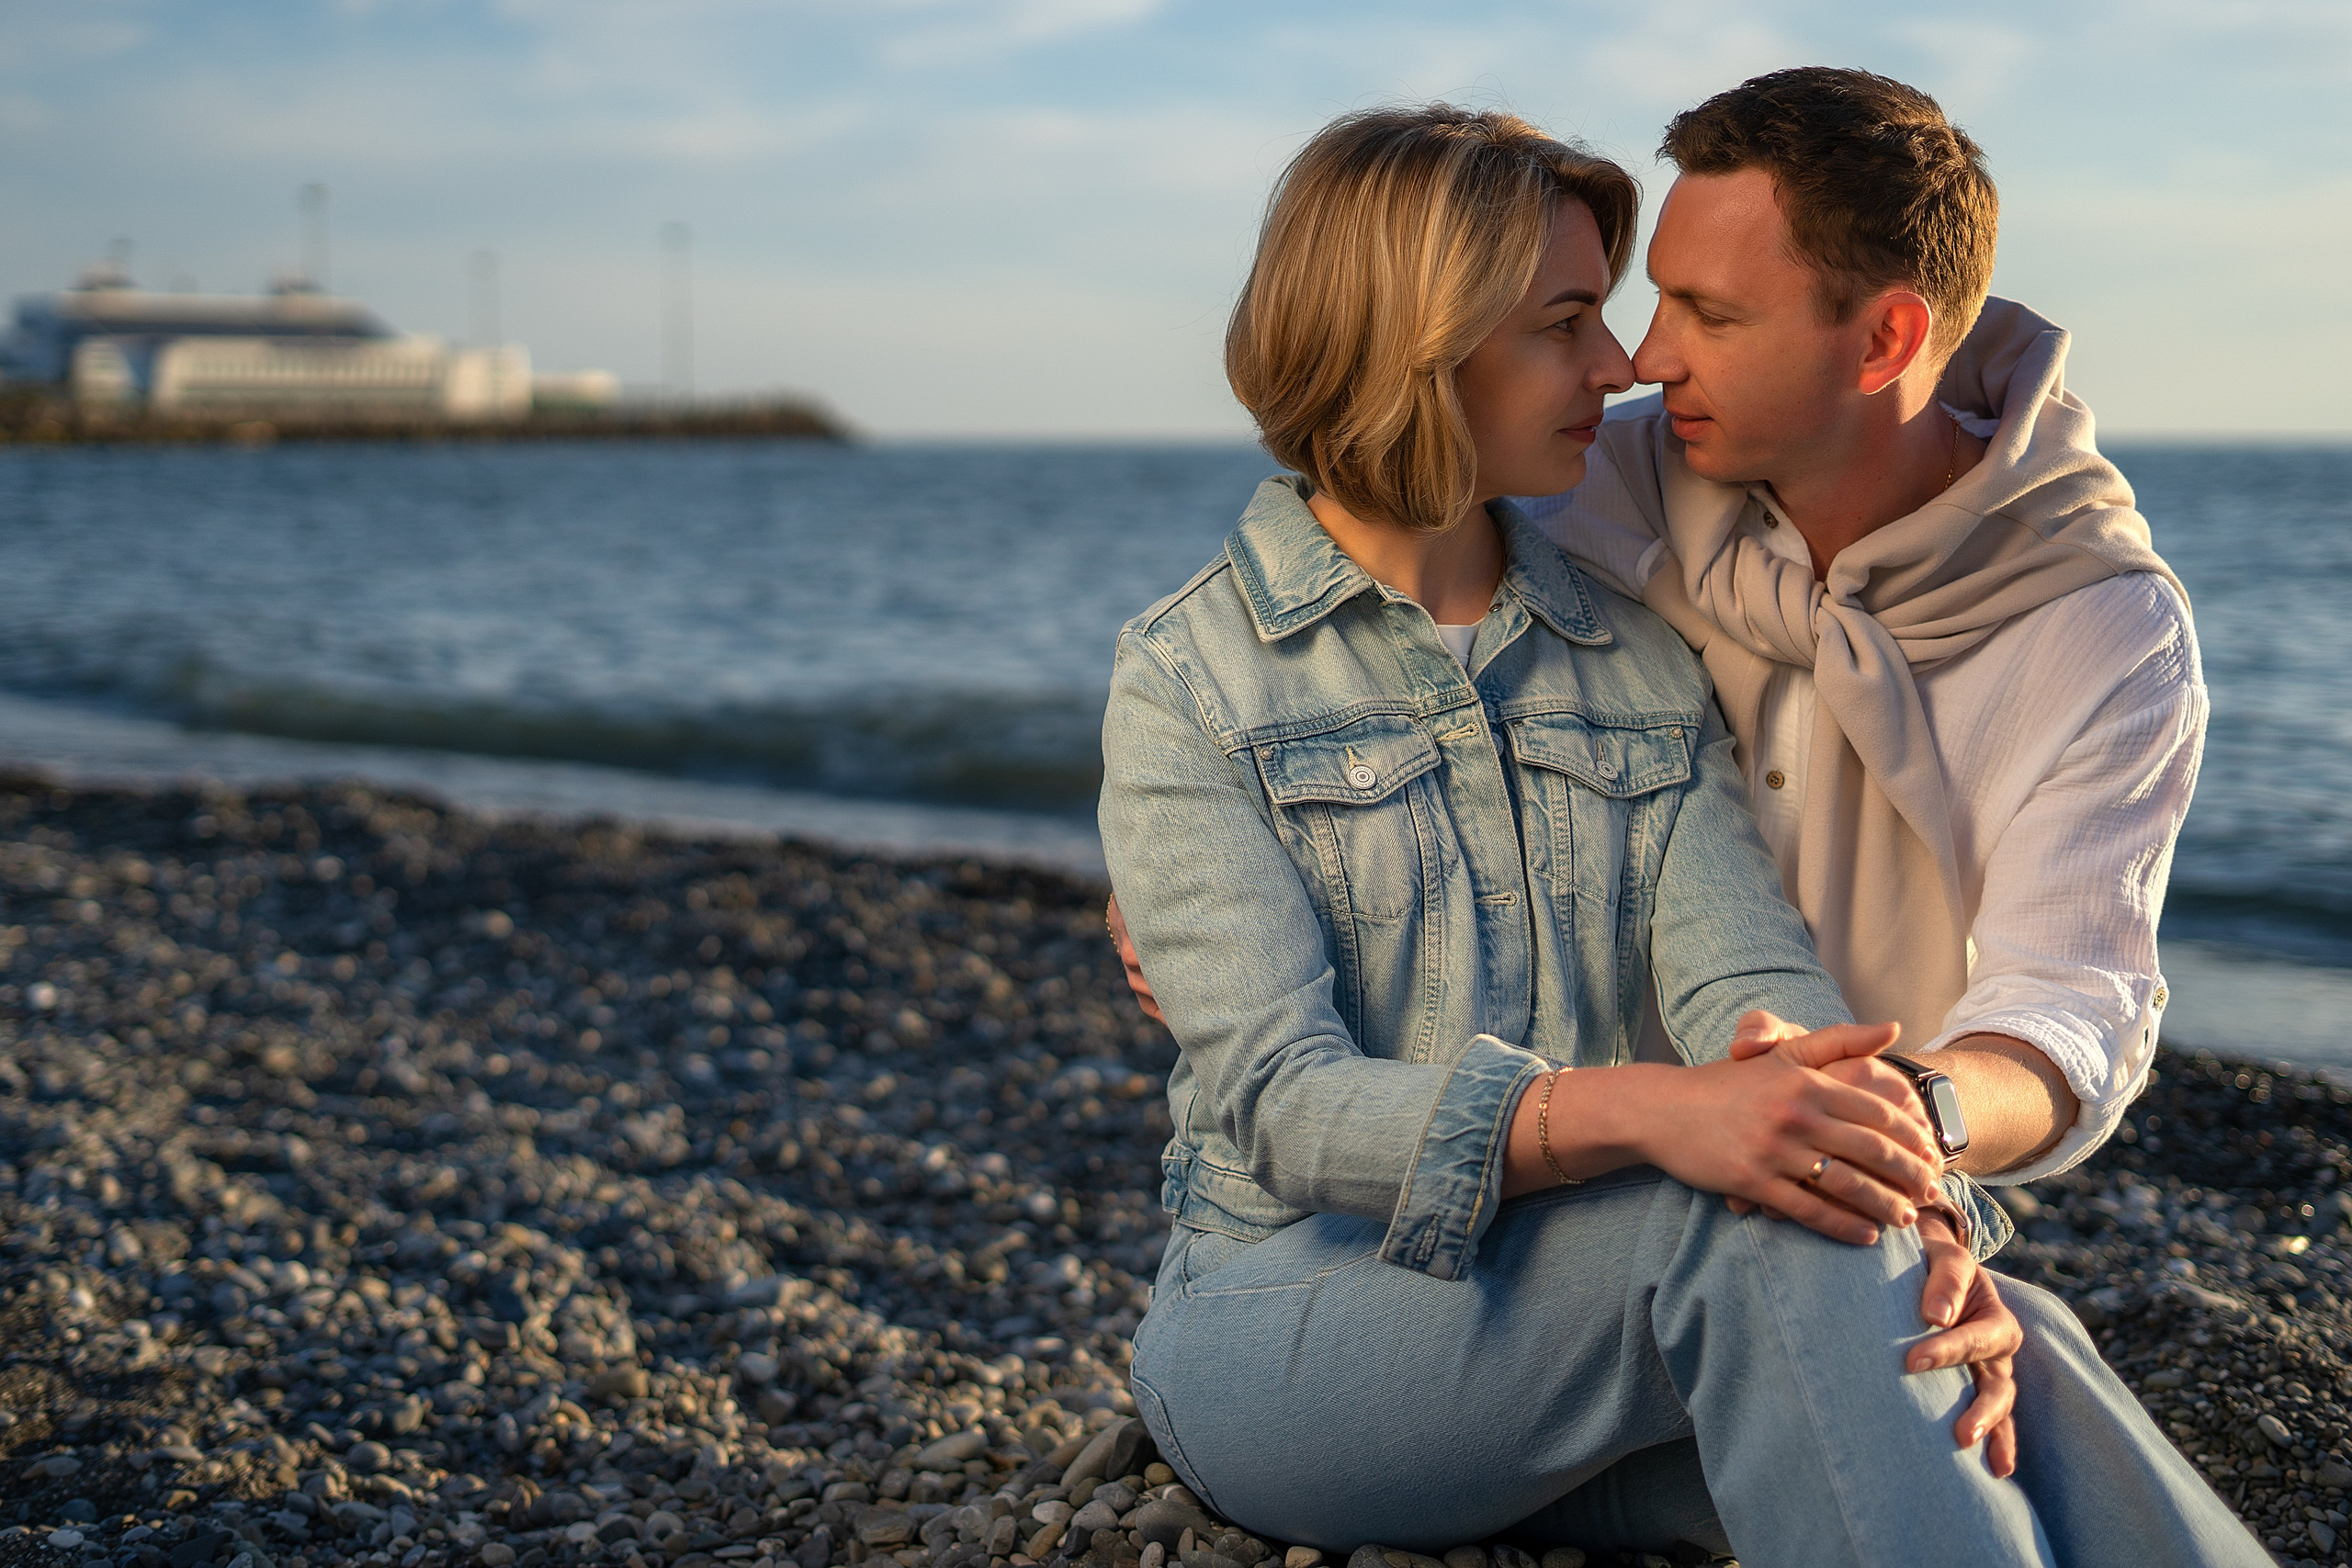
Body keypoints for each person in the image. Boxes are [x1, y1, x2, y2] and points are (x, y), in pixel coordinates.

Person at [1098, 104, 2260, 1566]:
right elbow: (1281, 1103)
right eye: (1573, 320)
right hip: (1289, 1317)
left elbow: (1749, 983)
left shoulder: (1633, 644)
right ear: (1419, 344)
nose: (1626, 364)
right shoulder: (1191, 678)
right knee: (1767, 1236)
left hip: (1576, 1324)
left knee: (1998, 1345)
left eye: (1649, 312)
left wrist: (1901, 1195)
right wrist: (1658, 1115)